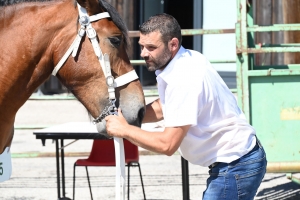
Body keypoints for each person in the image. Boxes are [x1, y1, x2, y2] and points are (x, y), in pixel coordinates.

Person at [105, 13, 267, 200]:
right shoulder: (187, 58)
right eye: (142, 46)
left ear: (173, 45)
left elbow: (167, 144)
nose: (143, 53)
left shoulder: (183, 78)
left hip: (235, 164)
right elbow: (165, 107)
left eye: (151, 47)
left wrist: (124, 130)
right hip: (238, 160)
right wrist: (131, 115)